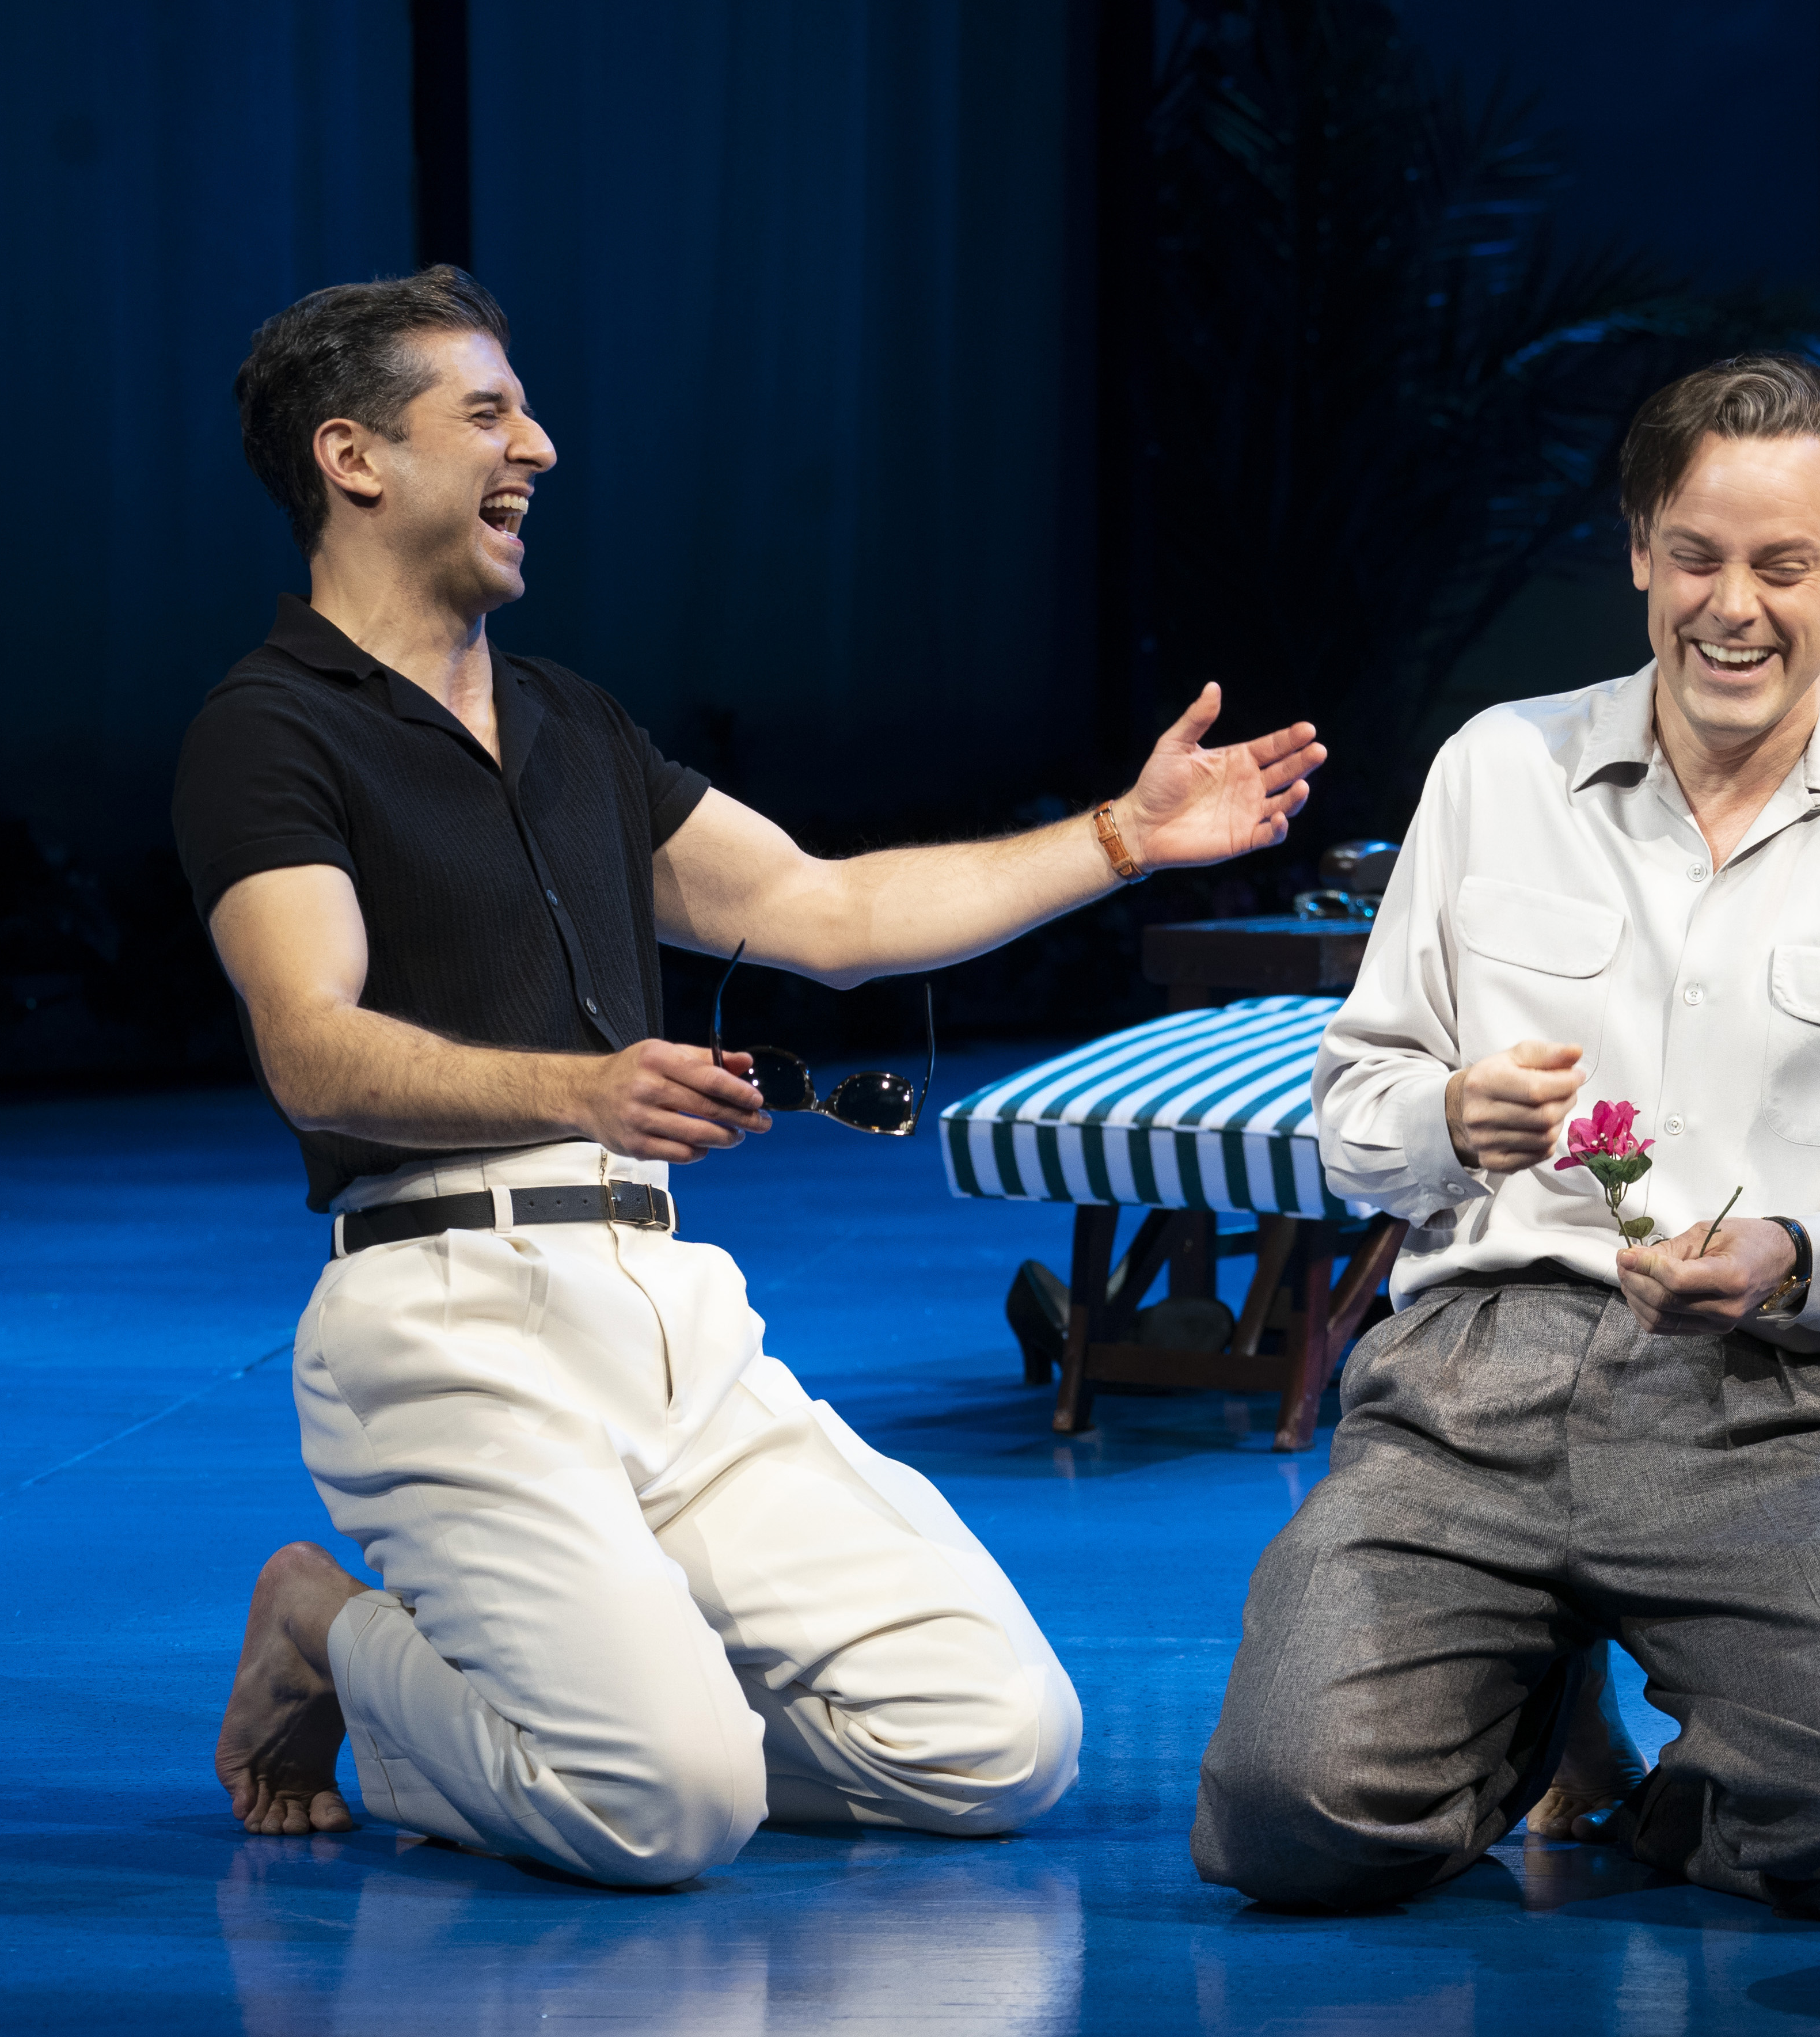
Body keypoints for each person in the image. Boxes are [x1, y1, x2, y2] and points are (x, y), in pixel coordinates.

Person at [181, 267, 1327, 1888]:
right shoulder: (269, 730)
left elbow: (830, 911)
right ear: (353, 457)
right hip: (441, 1316)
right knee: (667, 1813)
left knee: (1000, 1739)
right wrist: (576, 1093)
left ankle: (626, 1713)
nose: (545, 448)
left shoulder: (575, 725)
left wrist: (1122, 836)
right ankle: (332, 1632)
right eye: (491, 414)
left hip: (662, 1309)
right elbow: (308, 1043)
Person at [1190, 354, 1820, 1916]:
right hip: (1468, 1374)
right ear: (1639, 551)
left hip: (1757, 1396)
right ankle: (1529, 1706)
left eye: (1783, 564)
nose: (1733, 606)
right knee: (1286, 1819)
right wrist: (1452, 1123)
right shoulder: (1499, 768)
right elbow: (1350, 1119)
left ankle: (1655, 1782)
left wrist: (1805, 1252)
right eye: (1697, 555)